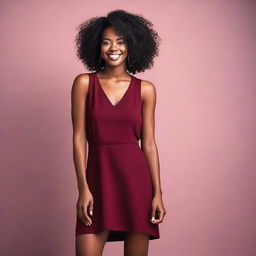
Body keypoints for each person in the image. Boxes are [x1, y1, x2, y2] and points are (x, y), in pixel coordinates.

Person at [71, 9, 167, 256]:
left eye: (121, 41)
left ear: (132, 45)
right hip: (97, 181)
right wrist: (83, 188)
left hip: (136, 184)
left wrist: (157, 193)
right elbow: (79, 139)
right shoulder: (84, 84)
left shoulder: (146, 90)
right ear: (97, 47)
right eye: (106, 42)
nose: (114, 48)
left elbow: (149, 144)